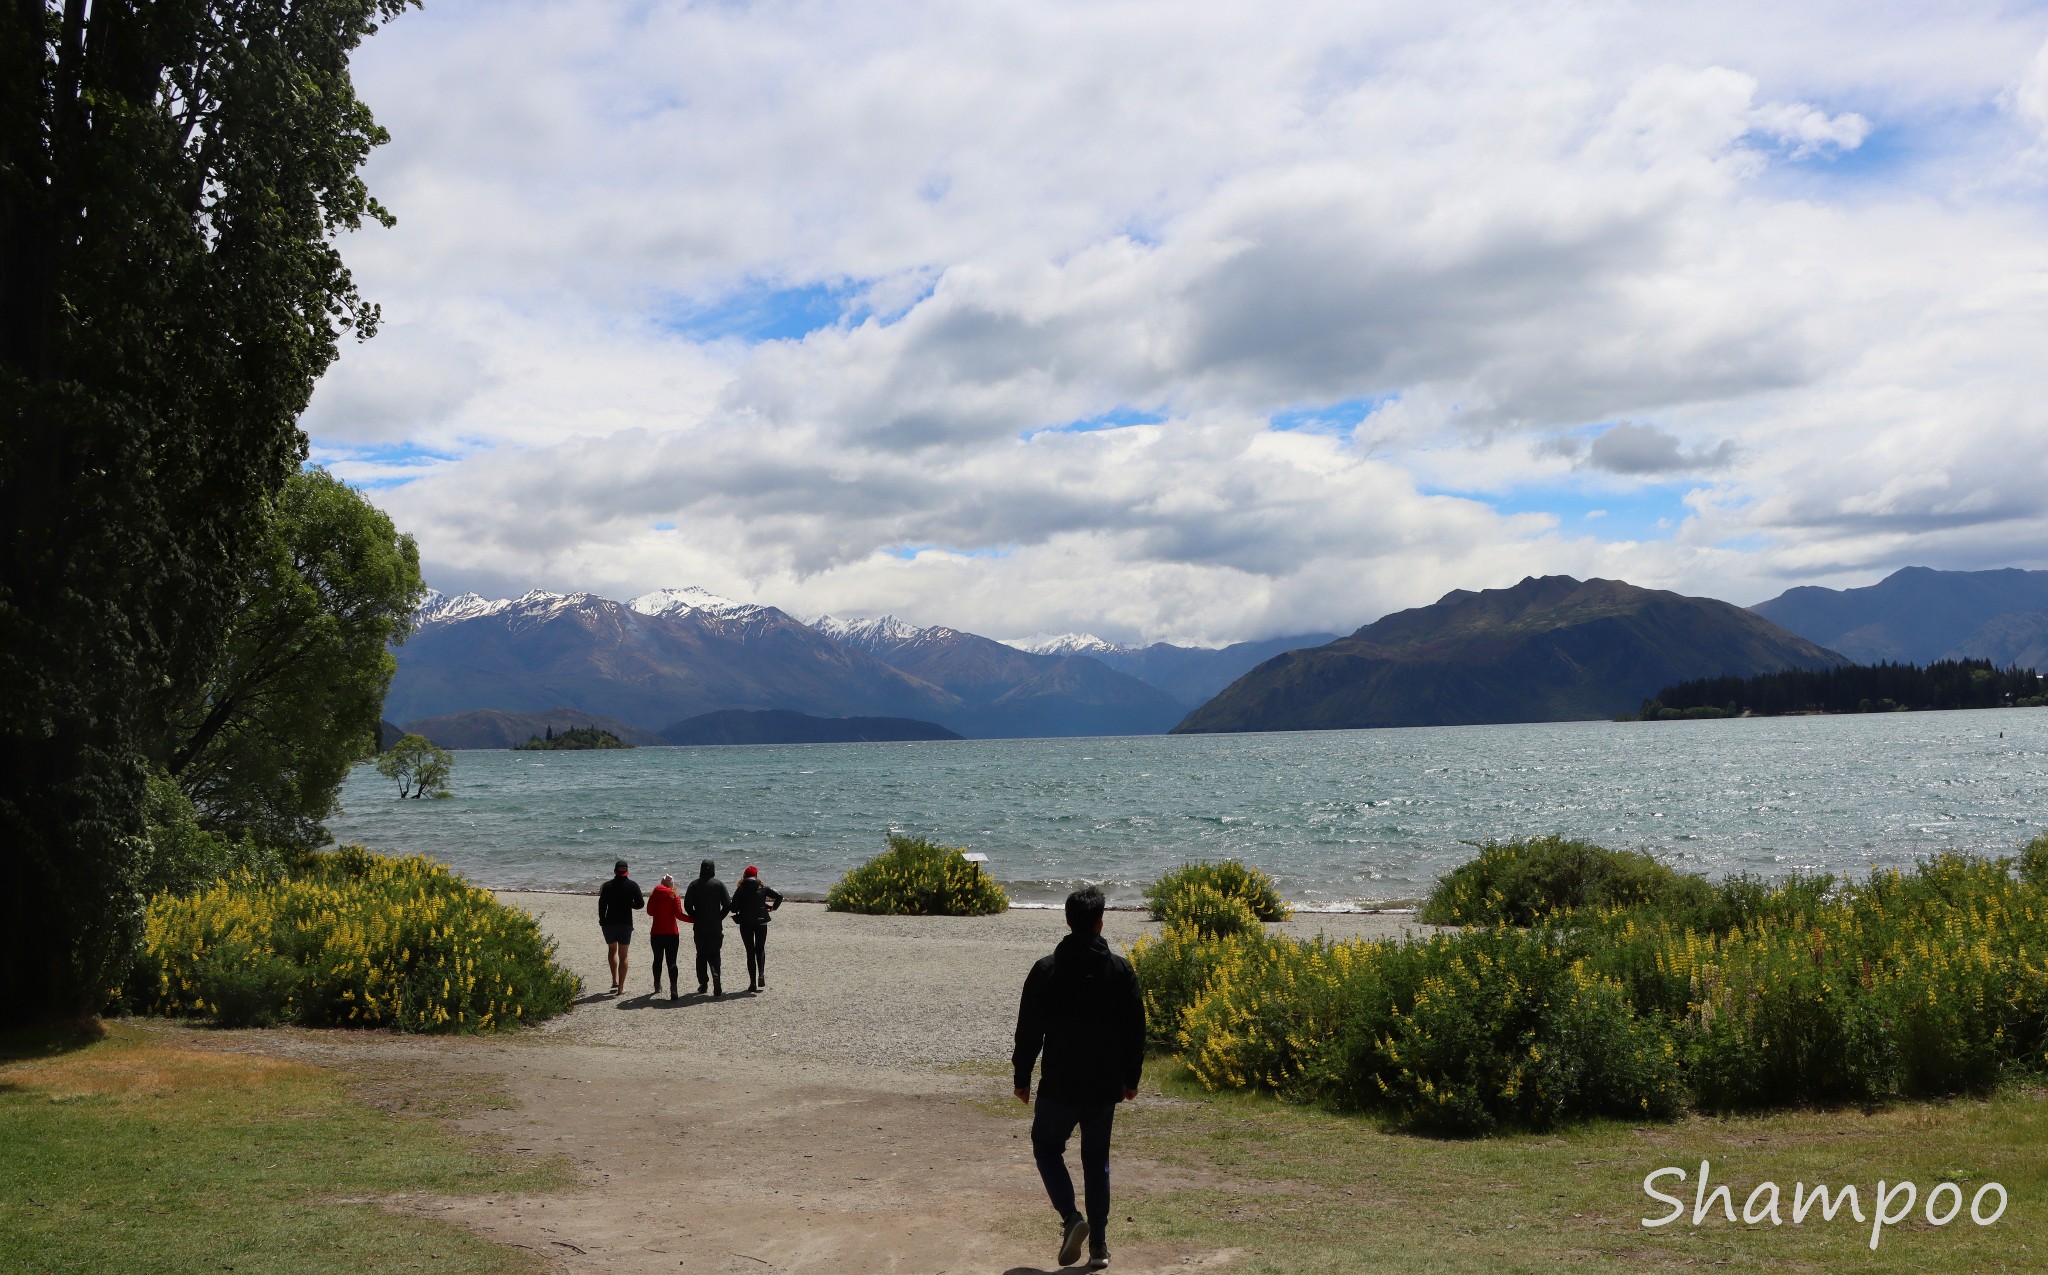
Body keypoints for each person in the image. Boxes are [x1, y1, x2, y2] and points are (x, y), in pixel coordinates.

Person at [1013, 885, 1143, 1271]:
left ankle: (1071, 1218)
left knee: (1046, 1146)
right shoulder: (1120, 970)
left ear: (1068, 922)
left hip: (1061, 1082)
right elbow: (1135, 1029)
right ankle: (1099, 1247)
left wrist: (1022, 1076)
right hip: (1104, 1084)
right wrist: (1130, 1078)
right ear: (1100, 923)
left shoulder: (1047, 969)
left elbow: (1029, 1030)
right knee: (1096, 1160)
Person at [682, 858, 732, 997]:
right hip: (715, 925)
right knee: (715, 952)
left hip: (700, 925)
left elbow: (687, 906)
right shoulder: (719, 884)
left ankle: (703, 984)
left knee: (701, 954)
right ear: (714, 869)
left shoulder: (694, 885)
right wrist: (719, 917)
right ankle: (716, 975)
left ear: (701, 869)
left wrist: (695, 917)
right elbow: (728, 905)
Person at [729, 865, 783, 992]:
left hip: (746, 923)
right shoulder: (762, 888)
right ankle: (761, 975)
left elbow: (733, 909)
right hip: (761, 922)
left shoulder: (740, 889)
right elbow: (780, 896)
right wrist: (773, 907)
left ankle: (752, 983)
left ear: (744, 876)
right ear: (756, 876)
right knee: (760, 949)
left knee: (750, 951)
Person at [597, 859, 644, 996]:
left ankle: (614, 980)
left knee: (612, 950)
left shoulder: (607, 886)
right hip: (625, 923)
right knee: (624, 955)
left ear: (614, 871)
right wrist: (630, 905)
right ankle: (620, 988)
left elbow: (602, 905)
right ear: (627, 871)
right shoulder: (632, 885)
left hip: (609, 923)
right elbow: (640, 904)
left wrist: (602, 920)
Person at [646, 873, 687, 999]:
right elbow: (679, 915)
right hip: (671, 933)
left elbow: (650, 912)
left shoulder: (654, 895)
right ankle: (673, 988)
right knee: (672, 962)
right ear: (671, 885)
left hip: (656, 933)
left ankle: (657, 985)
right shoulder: (674, 895)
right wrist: (694, 919)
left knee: (657, 959)